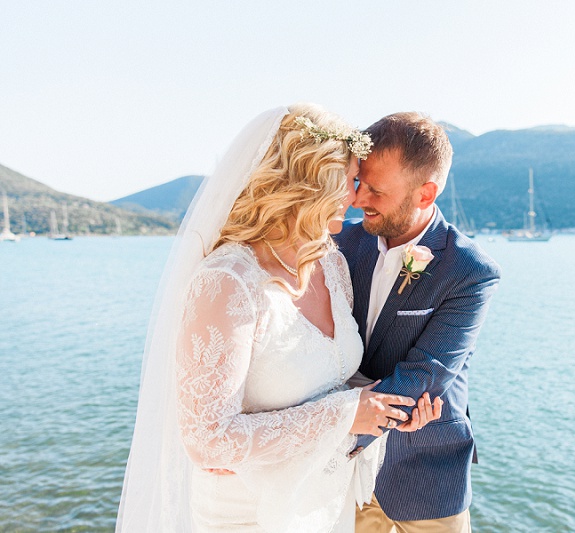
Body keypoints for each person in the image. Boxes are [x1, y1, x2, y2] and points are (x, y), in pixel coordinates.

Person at [116, 104, 442, 533]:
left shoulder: (330, 266)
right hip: (246, 514)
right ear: (313, 185)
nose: (356, 197)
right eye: (350, 182)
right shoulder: (227, 281)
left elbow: (334, 380)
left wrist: (392, 406)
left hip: (322, 505)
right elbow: (208, 441)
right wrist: (347, 415)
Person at [335, 112, 501, 532]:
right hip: (340, 475)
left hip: (426, 470)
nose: (359, 200)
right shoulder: (337, 246)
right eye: (359, 183)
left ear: (425, 193)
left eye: (376, 190)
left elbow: (426, 373)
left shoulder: (469, 271)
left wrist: (330, 427)